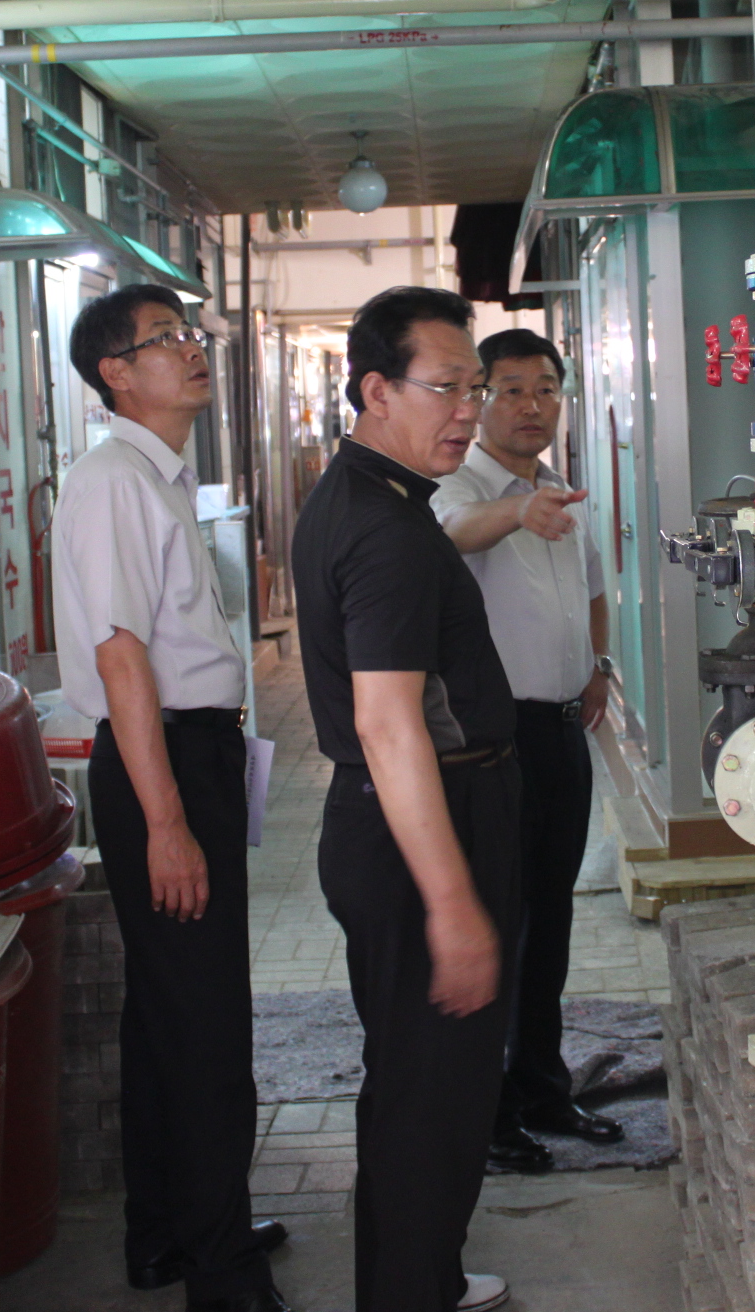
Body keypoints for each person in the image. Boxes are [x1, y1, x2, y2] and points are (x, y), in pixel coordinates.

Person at [52, 284, 287, 1312]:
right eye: (165, 339)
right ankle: (222, 1274)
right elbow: (121, 660)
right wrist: (166, 823)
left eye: (191, 334)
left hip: (186, 755)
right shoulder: (114, 482)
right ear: (115, 373)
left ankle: (169, 1233)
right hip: (166, 764)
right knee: (205, 1030)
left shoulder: (156, 478)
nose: (192, 350)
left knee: (165, 1018)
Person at [290, 286, 520, 1312]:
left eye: (475, 388)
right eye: (447, 388)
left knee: (417, 1079)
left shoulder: (371, 497)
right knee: (435, 1091)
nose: (468, 411)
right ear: (376, 390)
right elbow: (389, 726)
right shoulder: (382, 530)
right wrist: (452, 901)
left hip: (407, 819)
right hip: (419, 827)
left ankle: (413, 1277)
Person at [430, 329, 623, 1172]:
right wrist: (516, 511)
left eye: (546, 388)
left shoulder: (559, 488)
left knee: (550, 918)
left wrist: (597, 667)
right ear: (479, 401)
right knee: (500, 922)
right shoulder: (457, 486)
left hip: (561, 733)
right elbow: (456, 534)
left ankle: (543, 1084)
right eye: (510, 389)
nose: (532, 405)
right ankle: (488, 1110)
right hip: (492, 743)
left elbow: (593, 589)